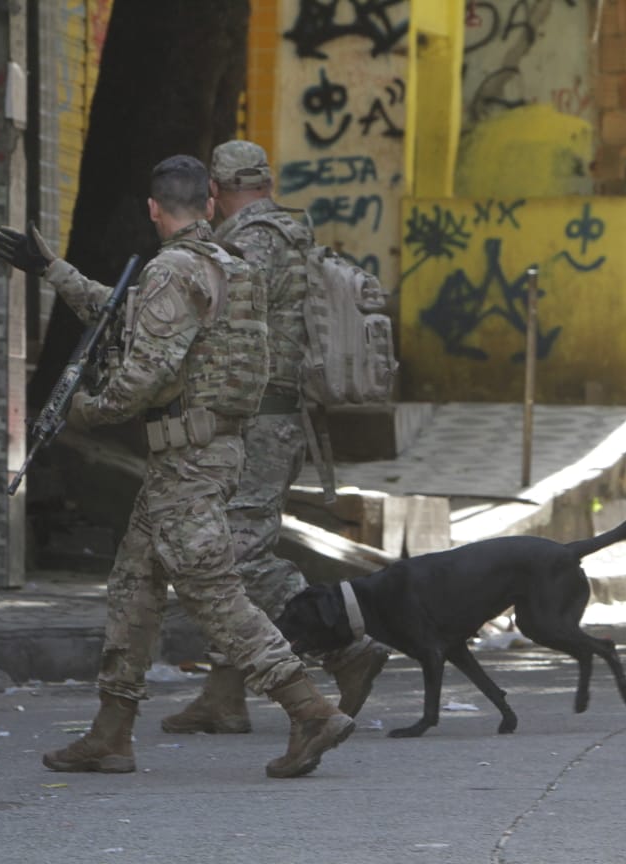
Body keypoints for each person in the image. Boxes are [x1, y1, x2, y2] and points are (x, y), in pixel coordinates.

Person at [0, 154, 353, 779]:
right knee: (135, 584)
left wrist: (89, 412)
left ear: (154, 209)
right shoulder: (226, 268)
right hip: (203, 454)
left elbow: (145, 370)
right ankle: (111, 732)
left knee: (213, 591)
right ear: (207, 206)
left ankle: (308, 707)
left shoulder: (174, 271)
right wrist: (54, 270)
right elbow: (124, 315)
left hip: (188, 459)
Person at [159, 140, 391, 737]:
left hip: (262, 417)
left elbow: (221, 316)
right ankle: (223, 694)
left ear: (215, 189)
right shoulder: (288, 231)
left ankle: (347, 650)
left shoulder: (253, 240)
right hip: (273, 415)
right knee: (230, 550)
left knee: (239, 555)